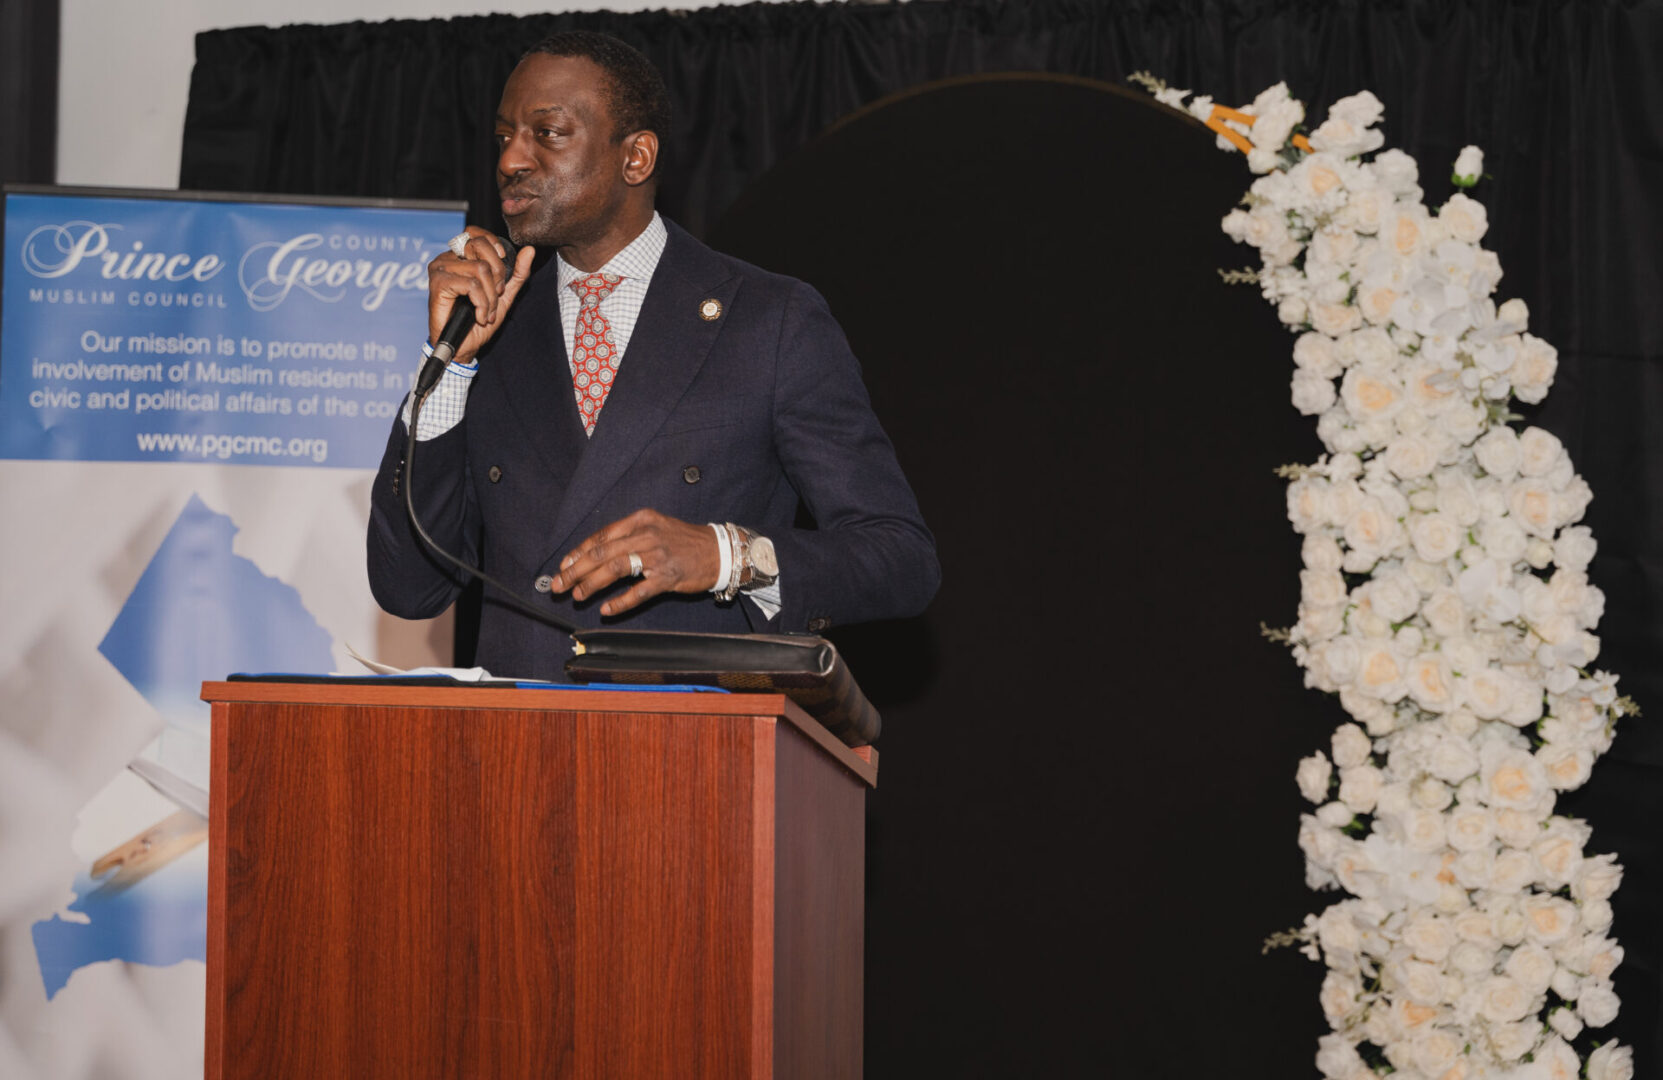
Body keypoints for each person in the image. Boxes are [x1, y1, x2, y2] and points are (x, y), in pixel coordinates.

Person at [367, 30, 938, 679]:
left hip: (694, 748)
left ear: (635, 157)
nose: (510, 160)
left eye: (546, 132)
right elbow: (408, 589)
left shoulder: (769, 319)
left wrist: (729, 557)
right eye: (503, 137)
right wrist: (449, 369)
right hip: (514, 752)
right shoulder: (492, 325)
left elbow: (901, 560)